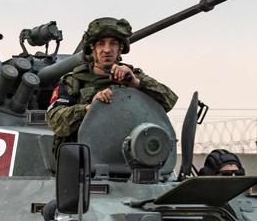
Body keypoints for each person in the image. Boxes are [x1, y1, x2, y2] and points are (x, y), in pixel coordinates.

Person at [46, 17, 177, 151]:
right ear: (93, 49)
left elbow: (169, 101)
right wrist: (89, 108)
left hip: (131, 158)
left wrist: (137, 84)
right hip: (84, 159)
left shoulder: (133, 78)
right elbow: (55, 120)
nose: (107, 50)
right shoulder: (73, 81)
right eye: (101, 44)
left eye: (113, 43)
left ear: (120, 49)